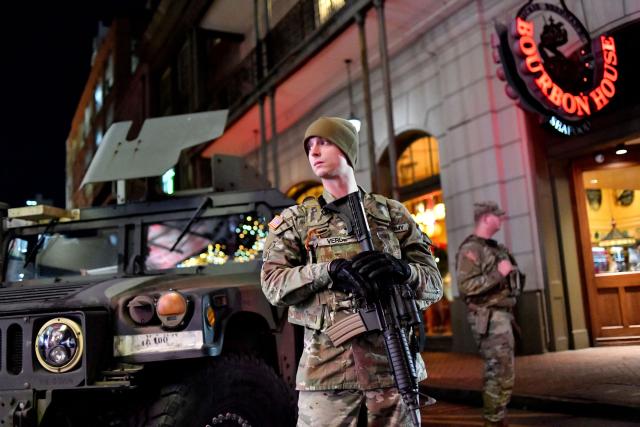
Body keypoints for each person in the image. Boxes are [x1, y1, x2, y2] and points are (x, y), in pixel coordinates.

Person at [261, 116, 443, 426]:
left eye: (324, 142)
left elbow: (434, 284)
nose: (314, 152)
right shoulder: (297, 220)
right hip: (327, 376)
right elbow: (273, 285)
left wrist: (403, 271)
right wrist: (328, 271)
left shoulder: (391, 213)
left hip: (392, 367)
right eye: (309, 147)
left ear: (346, 149)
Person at [455, 201, 524, 427]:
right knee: (499, 371)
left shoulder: (496, 247)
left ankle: (497, 418)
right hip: (489, 317)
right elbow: (466, 286)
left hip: (503, 315)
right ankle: (493, 421)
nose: (501, 218)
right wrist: (498, 273)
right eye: (497, 215)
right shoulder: (471, 249)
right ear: (486, 218)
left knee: (504, 371)